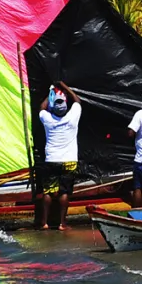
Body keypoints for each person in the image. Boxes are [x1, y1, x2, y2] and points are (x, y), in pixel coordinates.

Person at [36, 82, 81, 230]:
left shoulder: (48, 119)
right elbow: (77, 101)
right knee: (65, 191)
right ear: (66, 107)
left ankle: (44, 223)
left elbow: (41, 108)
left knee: (48, 191)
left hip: (51, 160)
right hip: (69, 161)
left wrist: (50, 93)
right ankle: (62, 223)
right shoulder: (73, 117)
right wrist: (65, 87)